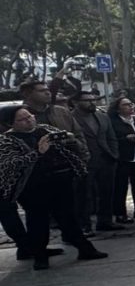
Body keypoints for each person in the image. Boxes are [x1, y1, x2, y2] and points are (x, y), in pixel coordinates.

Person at [0, 105, 107, 269]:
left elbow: (71, 143)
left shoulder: (44, 129)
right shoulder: (6, 140)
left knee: (68, 217)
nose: (29, 120)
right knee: (38, 221)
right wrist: (37, 152)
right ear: (10, 123)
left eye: (30, 116)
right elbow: (11, 164)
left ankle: (84, 248)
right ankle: (40, 255)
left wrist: (68, 139)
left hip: (60, 179)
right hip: (32, 187)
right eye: (23, 119)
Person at [70, 90, 122, 234]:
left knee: (107, 192)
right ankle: (84, 225)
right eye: (87, 100)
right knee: (84, 194)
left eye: (93, 100)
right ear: (76, 102)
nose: (92, 102)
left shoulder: (102, 116)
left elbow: (111, 136)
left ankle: (105, 221)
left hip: (106, 159)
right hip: (84, 160)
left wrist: (114, 154)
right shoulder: (70, 118)